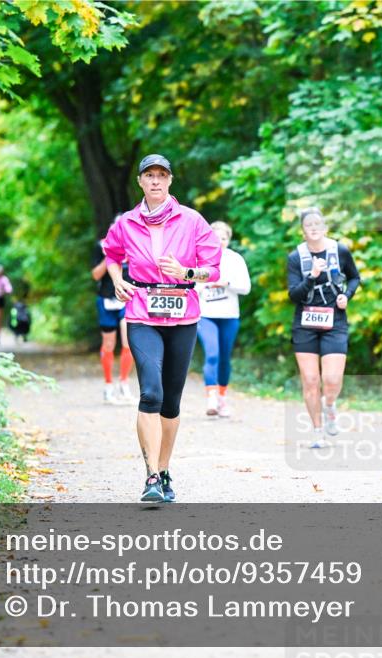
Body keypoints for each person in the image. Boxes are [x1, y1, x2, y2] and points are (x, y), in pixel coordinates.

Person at [104, 154, 222, 502]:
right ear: (139, 181)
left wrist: (186, 273)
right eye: (149, 175)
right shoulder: (126, 222)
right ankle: (151, 476)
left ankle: (165, 469)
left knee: (171, 402)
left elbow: (212, 269)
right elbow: (112, 254)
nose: (155, 181)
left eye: (162, 175)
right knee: (151, 393)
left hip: (183, 314)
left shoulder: (192, 221)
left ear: (170, 181)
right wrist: (116, 280)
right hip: (142, 313)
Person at [287, 207, 361, 449]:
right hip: (305, 322)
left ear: (325, 227)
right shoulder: (296, 257)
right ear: (303, 230)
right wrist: (311, 276)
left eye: (318, 223)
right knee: (310, 380)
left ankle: (330, 405)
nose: (314, 228)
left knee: (331, 379)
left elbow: (355, 277)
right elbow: (294, 295)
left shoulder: (339, 250)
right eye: (309, 225)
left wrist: (347, 296)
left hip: (335, 321)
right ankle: (318, 431)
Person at [197, 221, 251, 417]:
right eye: (216, 237)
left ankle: (222, 397)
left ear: (229, 240)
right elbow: (191, 288)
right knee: (212, 354)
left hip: (229, 315)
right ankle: (211, 397)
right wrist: (205, 285)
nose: (219, 241)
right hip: (206, 315)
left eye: (224, 238)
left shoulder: (235, 259)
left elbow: (246, 287)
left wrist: (226, 282)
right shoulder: (199, 258)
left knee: (224, 358)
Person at [92, 234, 135, 405]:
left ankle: (124, 384)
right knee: (109, 344)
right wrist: (110, 256)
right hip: (106, 300)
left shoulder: (134, 243)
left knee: (128, 341)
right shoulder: (101, 245)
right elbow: (96, 275)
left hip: (127, 299)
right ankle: (108, 386)